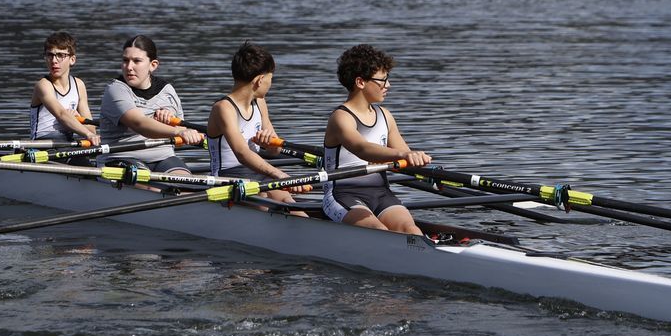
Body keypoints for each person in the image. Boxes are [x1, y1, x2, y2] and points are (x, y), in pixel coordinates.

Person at [322, 44, 431, 234]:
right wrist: (403, 154)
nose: (388, 85)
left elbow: (406, 157)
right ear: (360, 82)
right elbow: (362, 148)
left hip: (381, 193)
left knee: (411, 231)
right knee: (378, 231)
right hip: (343, 194)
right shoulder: (341, 117)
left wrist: (421, 164)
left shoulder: (385, 116)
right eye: (382, 80)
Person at [207, 42, 306, 215]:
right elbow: (242, 154)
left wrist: (270, 144)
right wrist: (281, 175)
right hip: (226, 176)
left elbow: (276, 151)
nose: (270, 83)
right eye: (270, 78)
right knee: (262, 198)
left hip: (256, 173)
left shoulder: (260, 103)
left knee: (288, 202)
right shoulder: (223, 108)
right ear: (260, 80)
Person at [98, 35, 204, 175]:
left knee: (188, 185)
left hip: (163, 157)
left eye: (137, 61)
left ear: (153, 65)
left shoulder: (167, 91)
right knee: (151, 187)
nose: (129, 67)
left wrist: (173, 124)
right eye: (125, 61)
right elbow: (139, 123)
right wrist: (178, 131)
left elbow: (182, 133)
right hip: (121, 156)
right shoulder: (115, 89)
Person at [30, 32, 99, 153]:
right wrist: (87, 134)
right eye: (50, 55)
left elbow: (92, 130)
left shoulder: (79, 85)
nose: (54, 61)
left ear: (72, 59)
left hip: (68, 145)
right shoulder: (43, 85)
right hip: (42, 147)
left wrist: (78, 117)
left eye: (60, 55)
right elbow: (61, 115)